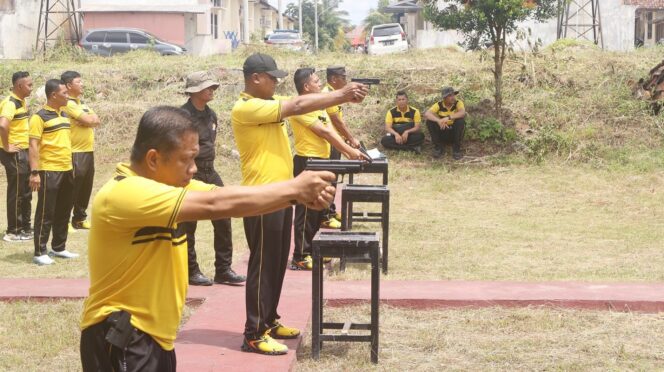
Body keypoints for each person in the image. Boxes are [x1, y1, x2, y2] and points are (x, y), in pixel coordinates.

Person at [79, 106, 336, 372]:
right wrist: (295, 187)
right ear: (154, 159)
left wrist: (296, 196)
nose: (193, 169)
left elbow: (233, 200)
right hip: (122, 335)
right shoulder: (124, 193)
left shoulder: (170, 185)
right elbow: (215, 204)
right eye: (186, 160)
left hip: (153, 337)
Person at [232, 53, 367, 355]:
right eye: (272, 77)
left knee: (278, 262)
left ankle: (268, 320)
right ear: (255, 78)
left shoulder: (266, 104)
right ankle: (253, 333)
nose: (277, 82)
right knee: (262, 265)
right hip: (261, 197)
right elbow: (299, 104)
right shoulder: (246, 107)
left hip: (281, 193)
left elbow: (304, 105)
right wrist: (341, 93)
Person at [289, 67, 367, 271]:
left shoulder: (319, 106)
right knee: (305, 212)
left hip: (321, 160)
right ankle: (300, 256)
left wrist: (347, 147)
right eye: (316, 81)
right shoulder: (300, 109)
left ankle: (313, 250)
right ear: (306, 87)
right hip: (308, 161)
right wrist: (349, 150)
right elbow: (324, 132)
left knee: (318, 209)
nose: (320, 85)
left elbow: (331, 129)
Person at [179, 71, 246, 287]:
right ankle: (191, 270)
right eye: (208, 87)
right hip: (190, 172)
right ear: (195, 90)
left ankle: (223, 269)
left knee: (224, 216)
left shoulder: (211, 114)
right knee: (188, 224)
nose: (212, 90)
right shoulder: (181, 117)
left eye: (213, 87)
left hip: (210, 171)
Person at [28, 79, 78, 265]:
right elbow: (32, 146)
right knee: (45, 212)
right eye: (64, 93)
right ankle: (40, 251)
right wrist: (34, 172)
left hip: (67, 169)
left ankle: (59, 247)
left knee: (64, 210)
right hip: (49, 170)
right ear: (53, 95)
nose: (68, 95)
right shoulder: (38, 117)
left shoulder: (64, 115)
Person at [321, 65, 361, 229]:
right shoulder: (328, 94)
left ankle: (330, 210)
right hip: (330, 142)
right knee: (329, 179)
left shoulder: (335, 95)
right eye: (343, 77)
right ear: (333, 79)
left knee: (334, 178)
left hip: (335, 140)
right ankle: (325, 216)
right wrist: (350, 138)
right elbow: (336, 120)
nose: (345, 81)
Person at [60, 71, 100, 232]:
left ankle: (80, 218)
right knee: (72, 187)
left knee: (86, 186)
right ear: (69, 85)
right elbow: (88, 120)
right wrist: (88, 120)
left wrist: (89, 121)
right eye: (79, 81)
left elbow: (96, 120)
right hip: (75, 152)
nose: (82, 84)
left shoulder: (81, 103)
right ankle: (65, 220)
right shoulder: (68, 104)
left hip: (88, 151)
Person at [0, 71, 33, 242]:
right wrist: (7, 146)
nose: (31, 88)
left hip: (24, 151)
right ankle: (13, 231)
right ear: (19, 86)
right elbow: (3, 126)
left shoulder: (22, 101)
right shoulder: (10, 103)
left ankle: (25, 227)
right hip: (14, 154)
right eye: (29, 85)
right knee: (17, 191)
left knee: (26, 191)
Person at [424, 86, 467, 160]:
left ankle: (456, 149)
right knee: (430, 122)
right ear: (444, 98)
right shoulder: (438, 105)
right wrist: (438, 120)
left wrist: (448, 118)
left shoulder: (458, 103)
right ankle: (438, 148)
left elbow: (462, 113)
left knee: (460, 121)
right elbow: (427, 114)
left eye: (453, 95)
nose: (453, 97)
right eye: (450, 96)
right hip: (443, 130)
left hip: (454, 132)